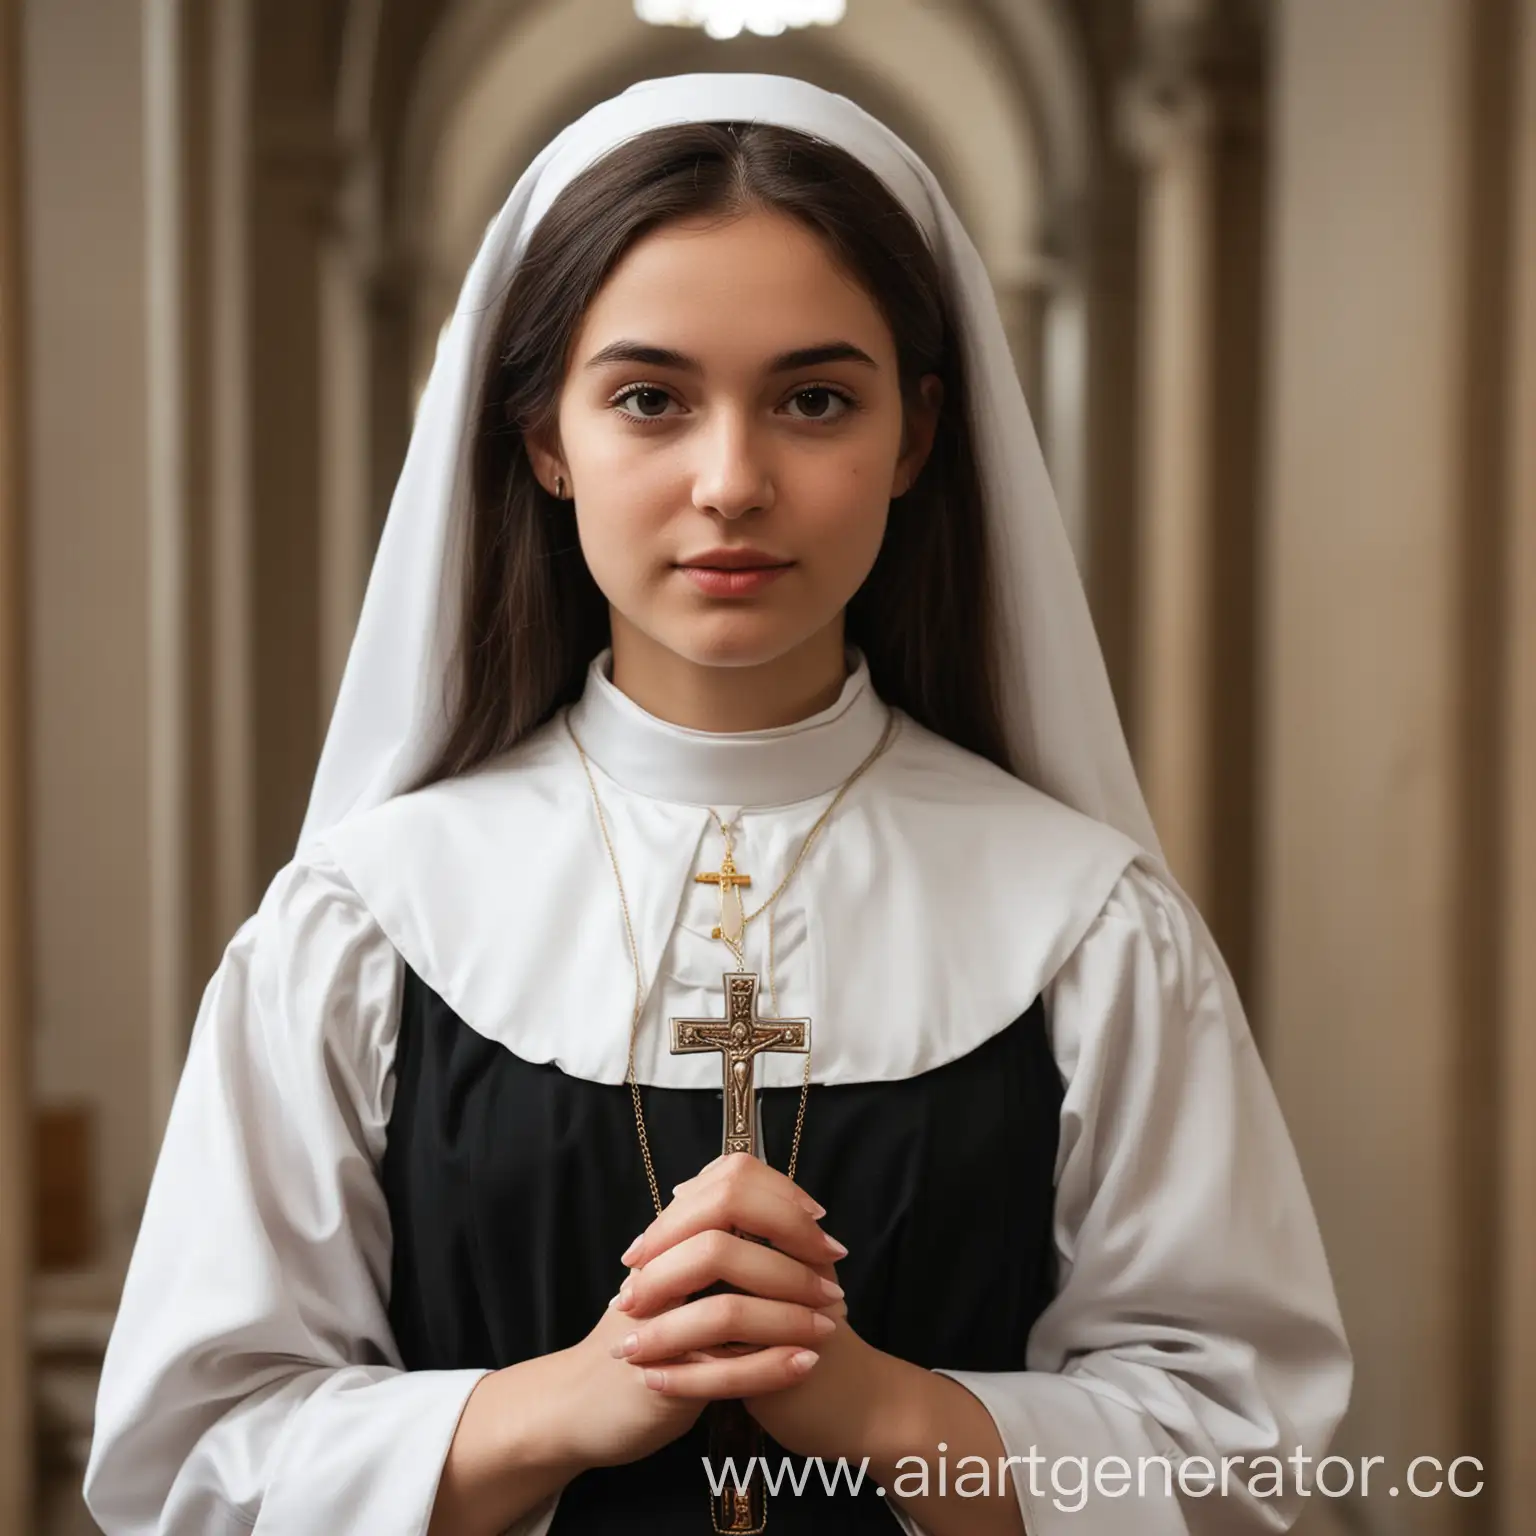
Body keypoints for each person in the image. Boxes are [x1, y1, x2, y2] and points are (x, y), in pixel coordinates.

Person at [83, 72, 1350, 1536]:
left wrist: (890, 1412)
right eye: (648, 400)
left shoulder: (1086, 928)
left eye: (815, 400)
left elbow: (1245, 1446)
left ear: (918, 436)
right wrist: (554, 1405)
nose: (733, 481)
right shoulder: (367, 926)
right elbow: (188, 1460)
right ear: (544, 439)